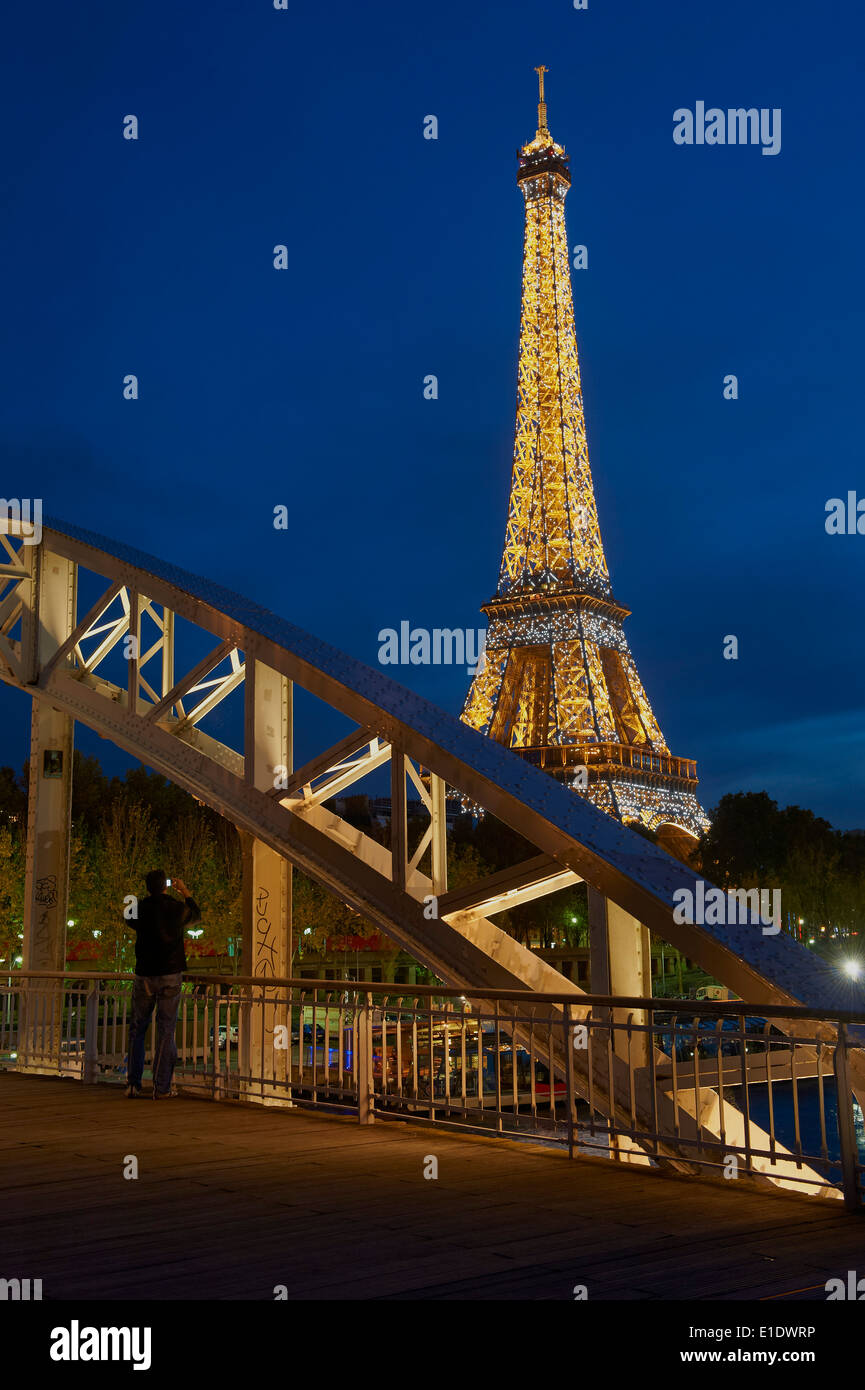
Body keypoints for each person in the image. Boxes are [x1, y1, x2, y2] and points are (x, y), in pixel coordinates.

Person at [125, 871, 201, 1099]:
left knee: (138, 1029)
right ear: (167, 886)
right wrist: (185, 891)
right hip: (170, 974)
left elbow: (128, 916)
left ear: (148, 887)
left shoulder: (141, 908)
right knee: (166, 1030)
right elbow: (196, 915)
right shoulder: (177, 908)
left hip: (145, 974)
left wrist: (135, 897)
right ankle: (161, 1087)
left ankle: (133, 1083)